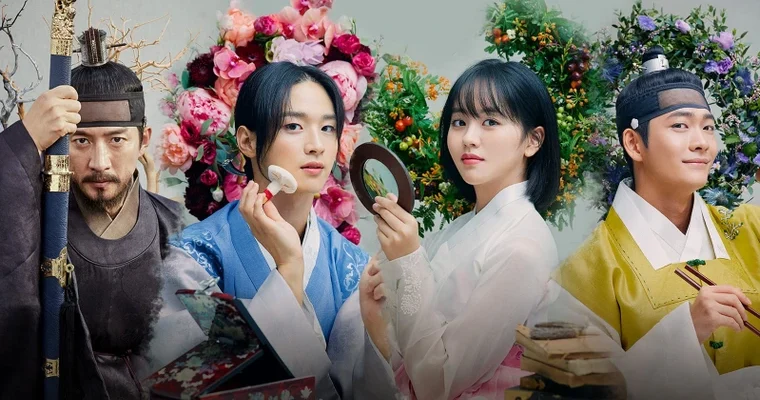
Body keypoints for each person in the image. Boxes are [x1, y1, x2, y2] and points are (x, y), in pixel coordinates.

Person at [158, 61, 392, 399]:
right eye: (294, 126)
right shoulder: (195, 255)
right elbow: (182, 377)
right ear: (247, 141)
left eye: (328, 128)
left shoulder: (351, 266)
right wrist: (288, 270)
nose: (316, 145)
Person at [539, 50, 760, 399]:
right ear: (634, 143)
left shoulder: (751, 228)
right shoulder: (584, 273)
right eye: (680, 125)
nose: (702, 143)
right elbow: (580, 388)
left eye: (708, 127)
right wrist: (685, 330)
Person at [359, 59, 562, 400]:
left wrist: (408, 261)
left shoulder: (522, 248)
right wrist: (379, 306)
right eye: (459, 122)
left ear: (533, 140)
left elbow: (438, 384)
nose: (469, 138)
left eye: (491, 121)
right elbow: (412, 353)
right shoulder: (462, 227)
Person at [0, 28, 185, 399]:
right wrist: (25, 138)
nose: (100, 162)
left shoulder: (176, 223)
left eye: (117, 139)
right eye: (81, 141)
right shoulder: (33, 222)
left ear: (144, 139)